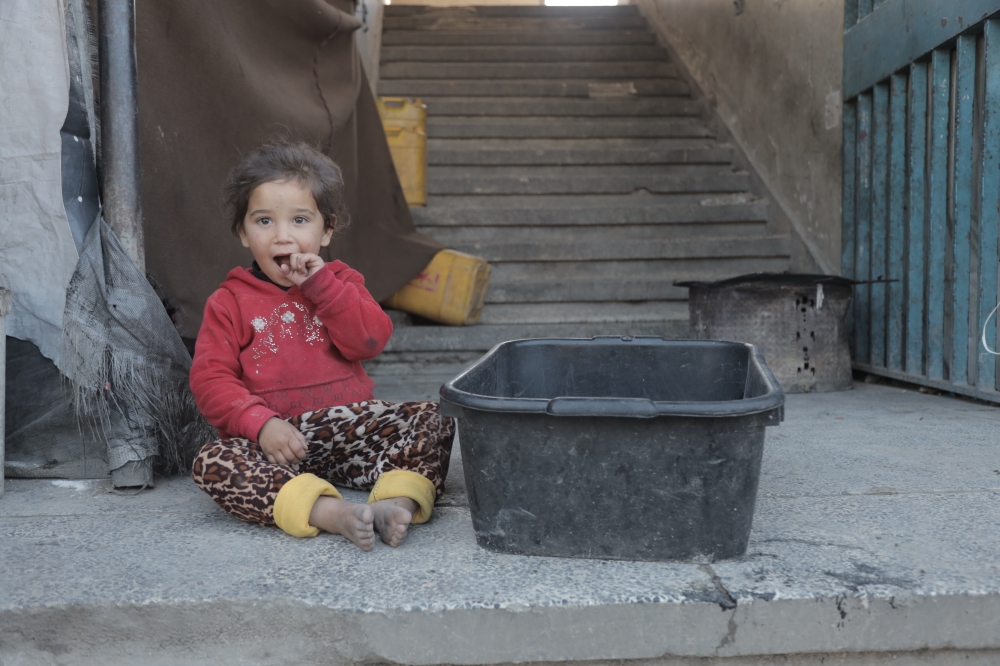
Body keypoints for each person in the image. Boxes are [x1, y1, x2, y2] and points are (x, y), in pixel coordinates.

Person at [189, 140, 454, 550]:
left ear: (326, 229)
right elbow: (211, 379)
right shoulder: (229, 302)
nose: (282, 236)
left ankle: (394, 503)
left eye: (299, 220)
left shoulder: (341, 283)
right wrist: (260, 425)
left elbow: (370, 340)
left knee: (435, 418)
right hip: (275, 445)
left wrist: (320, 286)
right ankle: (332, 514)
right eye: (263, 221)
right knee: (213, 463)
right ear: (242, 232)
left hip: (351, 430)